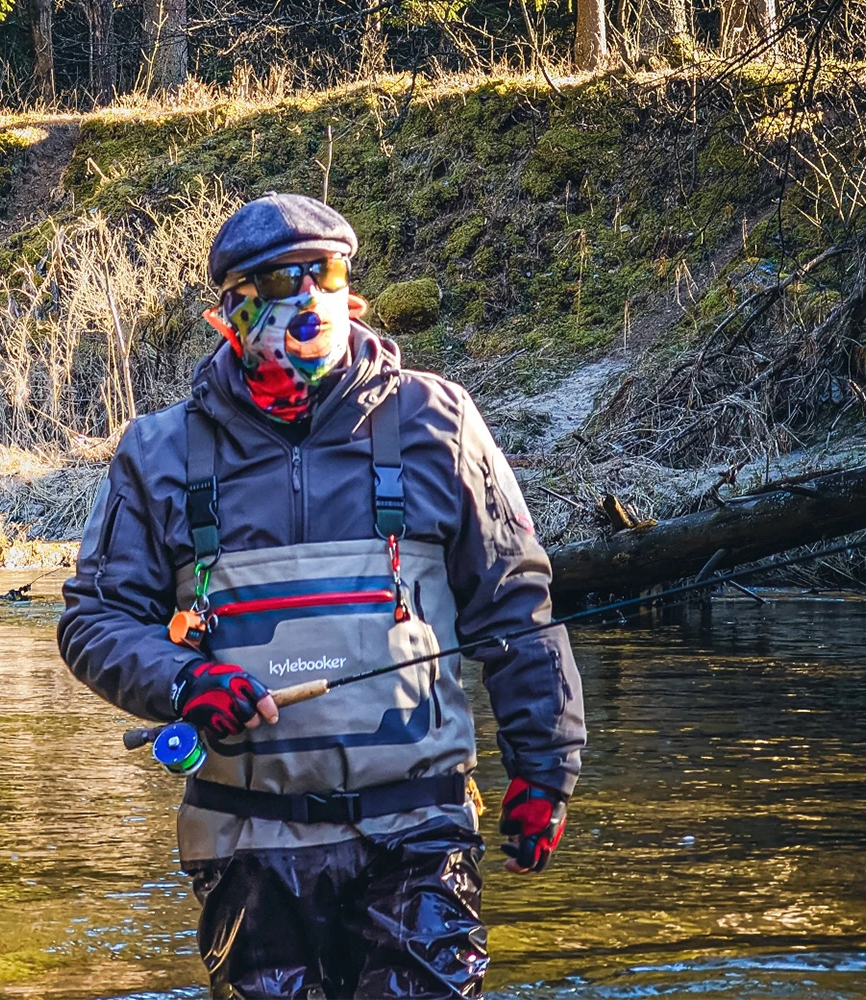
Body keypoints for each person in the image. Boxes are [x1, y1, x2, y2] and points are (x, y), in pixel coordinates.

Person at [58, 192, 586, 999]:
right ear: (225, 312)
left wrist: (544, 771)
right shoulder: (157, 453)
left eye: (326, 272)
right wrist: (183, 681)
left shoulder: (440, 423)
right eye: (276, 282)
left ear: (353, 291)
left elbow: (515, 604)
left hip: (421, 831)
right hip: (245, 844)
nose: (307, 296)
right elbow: (94, 620)